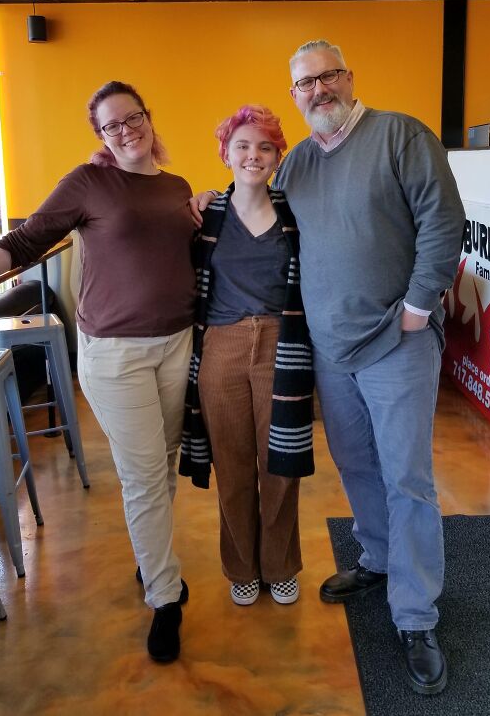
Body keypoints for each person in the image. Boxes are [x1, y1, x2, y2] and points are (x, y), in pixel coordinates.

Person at [192, 41, 465, 695]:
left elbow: (443, 219)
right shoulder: (299, 166)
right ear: (295, 95)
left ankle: (416, 614)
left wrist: (420, 306)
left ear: (347, 77)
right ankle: (375, 555)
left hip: (397, 343)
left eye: (325, 76)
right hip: (328, 352)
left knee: (407, 478)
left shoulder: (400, 135)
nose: (317, 89)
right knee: (357, 465)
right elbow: (255, 204)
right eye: (303, 83)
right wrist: (203, 193)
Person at [0, 81, 198, 664]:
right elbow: (23, 241)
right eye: (111, 125)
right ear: (101, 138)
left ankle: (150, 559)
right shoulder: (88, 183)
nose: (125, 129)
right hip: (116, 354)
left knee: (162, 464)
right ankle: (166, 597)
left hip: (178, 342)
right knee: (141, 476)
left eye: (132, 117)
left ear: (147, 117)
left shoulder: (176, 185)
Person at [179, 105, 314, 607]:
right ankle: (240, 566)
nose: (253, 155)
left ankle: (280, 564)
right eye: (242, 145)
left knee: (280, 463)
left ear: (278, 156)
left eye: (264, 147)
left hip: (284, 345)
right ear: (225, 153)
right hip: (221, 345)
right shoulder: (205, 212)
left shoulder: (296, 210)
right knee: (232, 465)